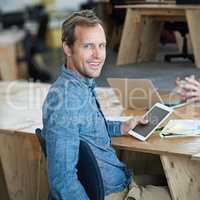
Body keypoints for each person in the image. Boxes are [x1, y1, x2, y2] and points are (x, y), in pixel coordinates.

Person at [42, 10, 171, 200]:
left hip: (120, 182)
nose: (98, 55)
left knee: (170, 177)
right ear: (68, 49)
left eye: (101, 45)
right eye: (88, 46)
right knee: (188, 189)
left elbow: (87, 128)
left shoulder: (79, 87)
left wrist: (122, 126)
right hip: (115, 194)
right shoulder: (67, 101)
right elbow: (62, 180)